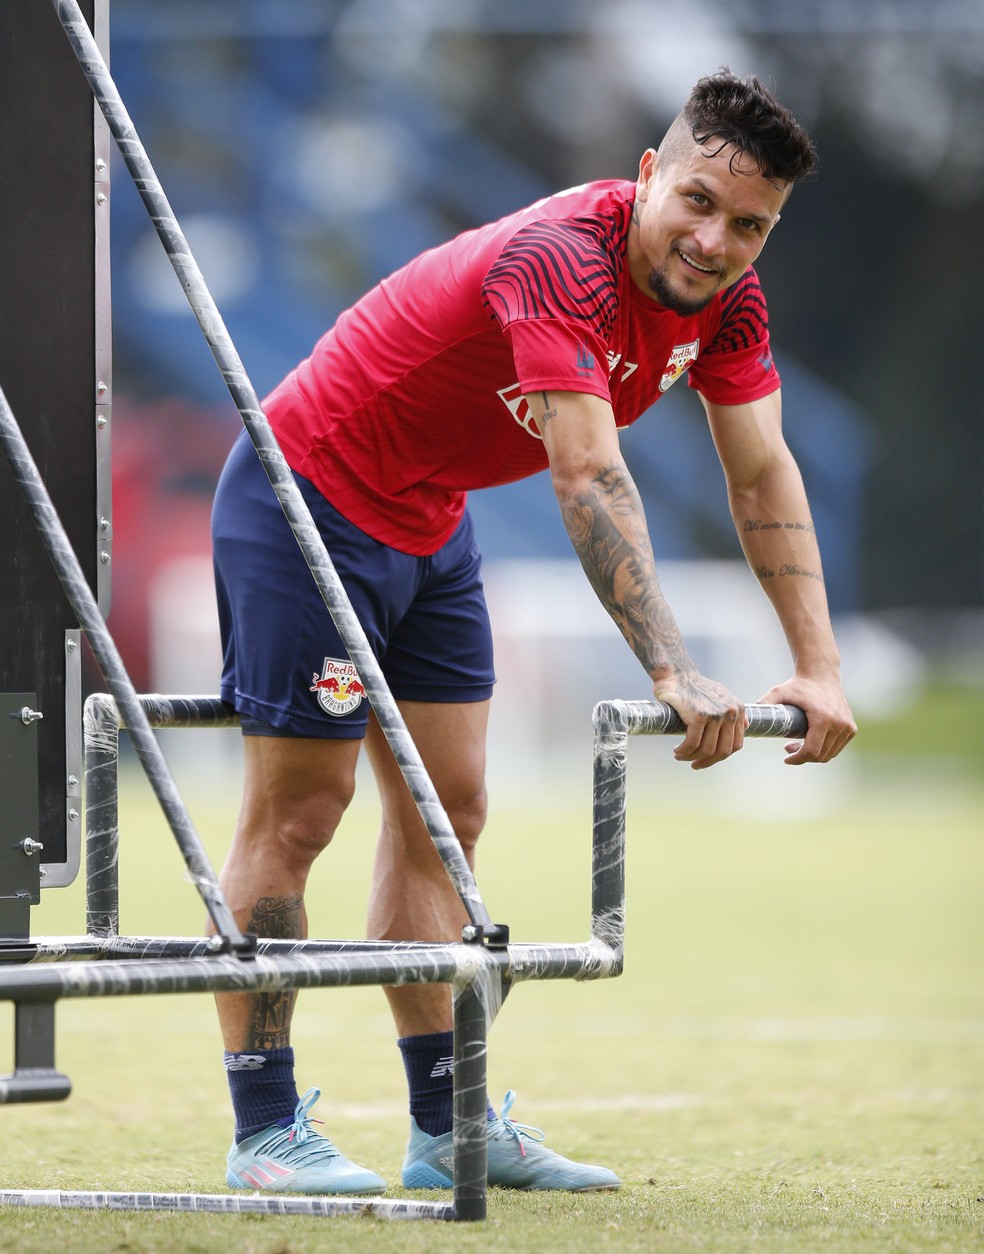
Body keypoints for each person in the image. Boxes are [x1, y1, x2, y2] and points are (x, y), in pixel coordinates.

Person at [210, 68, 856, 1196]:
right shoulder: (562, 255)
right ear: (650, 174)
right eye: (698, 202)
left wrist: (818, 665)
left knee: (448, 815)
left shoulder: (727, 302)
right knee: (304, 809)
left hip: (428, 516)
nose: (714, 241)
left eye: (750, 226)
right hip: (304, 495)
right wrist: (673, 668)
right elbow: (590, 473)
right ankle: (265, 1133)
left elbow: (762, 470)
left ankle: (444, 1128)